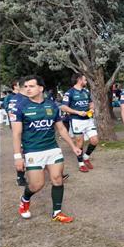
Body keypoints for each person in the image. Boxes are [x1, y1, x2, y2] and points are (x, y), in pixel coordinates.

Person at [10, 75, 81, 223]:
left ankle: (57, 213)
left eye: (31, 86)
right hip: (33, 151)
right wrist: (17, 156)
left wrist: (73, 146)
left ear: (41, 88)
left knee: (57, 179)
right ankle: (25, 199)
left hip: (52, 149)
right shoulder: (20, 107)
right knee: (37, 185)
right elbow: (16, 133)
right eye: (26, 87)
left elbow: (61, 129)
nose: (27, 89)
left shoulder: (52, 105)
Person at [60, 73, 99, 172]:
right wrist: (77, 112)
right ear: (79, 80)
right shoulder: (69, 93)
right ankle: (81, 163)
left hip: (88, 120)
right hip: (77, 121)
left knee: (95, 140)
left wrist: (92, 109)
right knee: (79, 142)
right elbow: (63, 107)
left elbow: (91, 103)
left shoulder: (86, 91)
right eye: (85, 79)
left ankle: (86, 157)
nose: (86, 81)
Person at [3, 79, 28, 186]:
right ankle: (20, 176)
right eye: (20, 85)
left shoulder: (26, 96)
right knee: (21, 151)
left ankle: (54, 172)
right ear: (15, 86)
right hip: (18, 127)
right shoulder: (10, 98)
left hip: (29, 128)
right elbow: (9, 111)